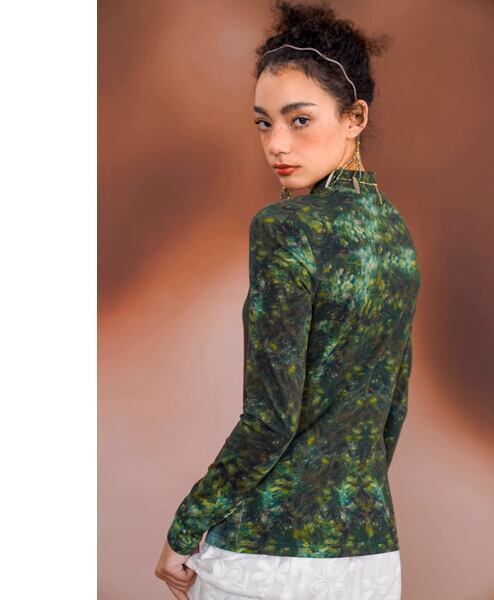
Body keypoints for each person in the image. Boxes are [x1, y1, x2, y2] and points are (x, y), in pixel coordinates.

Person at [155, 1, 421, 598]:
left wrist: (186, 525)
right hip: (370, 558)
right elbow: (392, 409)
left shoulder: (284, 228)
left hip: (266, 555)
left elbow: (271, 417)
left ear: (354, 117)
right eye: (263, 123)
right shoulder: (397, 235)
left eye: (299, 120)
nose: (277, 143)